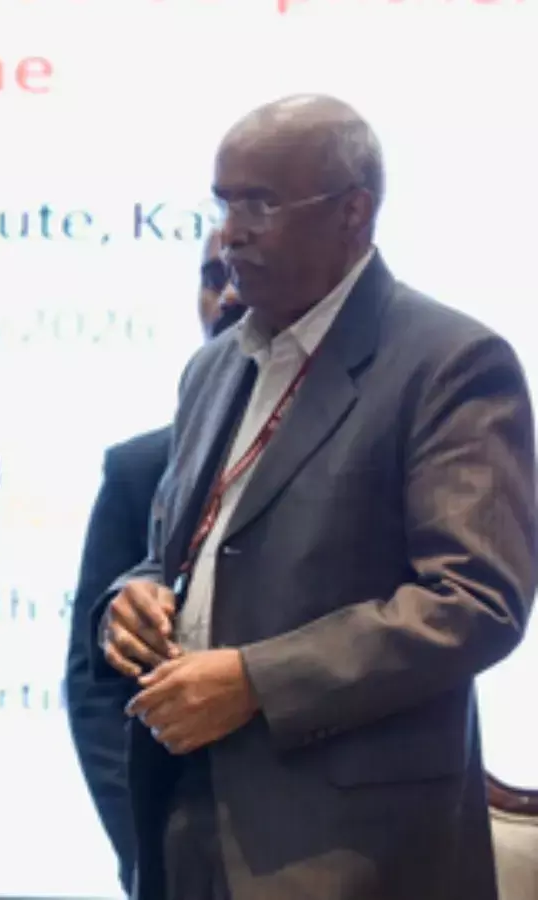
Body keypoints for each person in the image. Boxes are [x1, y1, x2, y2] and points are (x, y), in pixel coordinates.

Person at [95, 94, 537, 900]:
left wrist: (257, 681)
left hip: (353, 853)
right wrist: (138, 594)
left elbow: (475, 601)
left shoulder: (451, 362)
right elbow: (183, 552)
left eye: (260, 204)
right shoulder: (215, 365)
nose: (231, 232)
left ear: (352, 212)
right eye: (224, 204)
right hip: (190, 824)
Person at [64, 229, 243, 890]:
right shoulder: (142, 468)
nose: (227, 297)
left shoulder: (379, 437)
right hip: (179, 857)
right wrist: (145, 843)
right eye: (212, 277)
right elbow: (96, 685)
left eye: (243, 272)